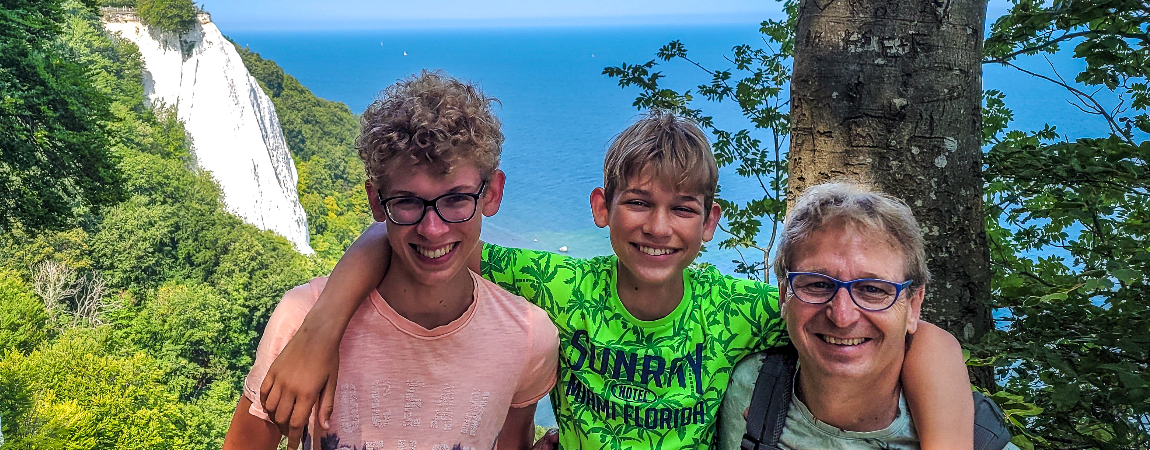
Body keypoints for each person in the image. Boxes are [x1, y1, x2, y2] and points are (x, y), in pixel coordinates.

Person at [257, 111, 977, 449]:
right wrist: (319, 332)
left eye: (681, 209)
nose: (658, 227)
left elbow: (910, 335)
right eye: (637, 202)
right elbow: (415, 234)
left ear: (710, 224)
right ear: (602, 209)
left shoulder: (746, 306)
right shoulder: (562, 287)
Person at [221, 71, 558, 450]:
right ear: (376, 202)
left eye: (456, 199)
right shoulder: (302, 319)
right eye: (407, 202)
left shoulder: (528, 338)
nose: (433, 229)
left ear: (492, 194)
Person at [717, 182, 1015, 450]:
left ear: (914, 306)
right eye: (818, 284)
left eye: (873, 289)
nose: (842, 316)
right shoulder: (751, 388)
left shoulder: (966, 437)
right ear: (784, 295)